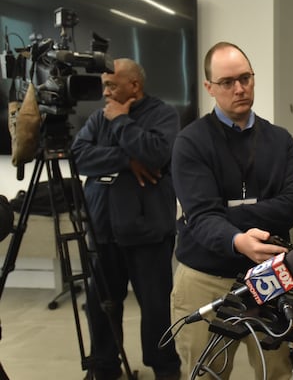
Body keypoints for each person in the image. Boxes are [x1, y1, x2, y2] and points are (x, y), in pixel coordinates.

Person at [170, 42, 293, 379]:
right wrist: (237, 239)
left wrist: (222, 216)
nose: (239, 88)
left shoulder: (280, 140)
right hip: (205, 278)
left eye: (245, 78)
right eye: (227, 82)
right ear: (209, 87)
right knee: (205, 372)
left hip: (269, 276)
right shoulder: (191, 142)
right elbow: (202, 217)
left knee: (277, 370)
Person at [71, 58, 182, 380]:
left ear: (134, 85)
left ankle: (165, 368)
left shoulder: (163, 114)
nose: (105, 92)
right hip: (103, 229)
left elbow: (156, 153)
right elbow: (79, 156)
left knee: (156, 308)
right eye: (104, 85)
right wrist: (127, 161)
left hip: (148, 232)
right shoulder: (99, 116)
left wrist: (121, 121)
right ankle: (104, 367)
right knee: (100, 304)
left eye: (111, 85)